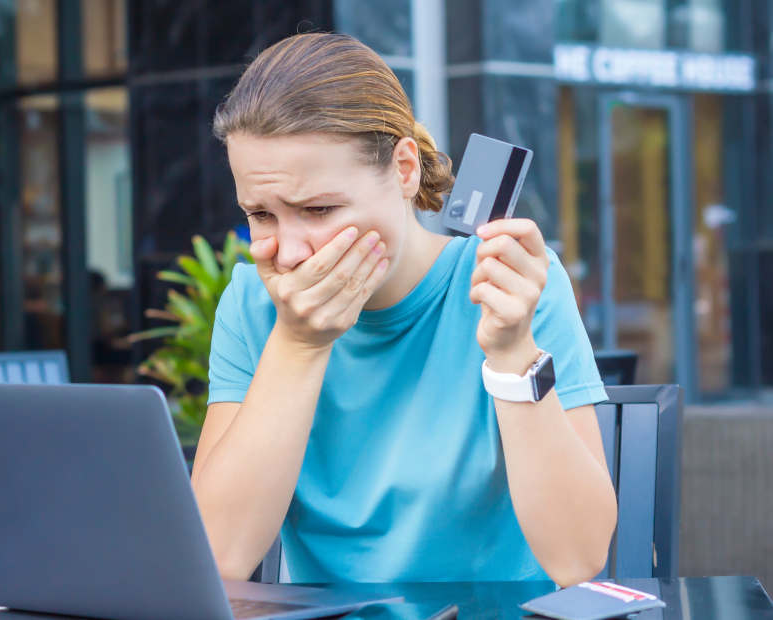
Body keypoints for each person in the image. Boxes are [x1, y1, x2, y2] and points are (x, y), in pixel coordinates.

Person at [190, 33, 616, 587]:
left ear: (405, 169)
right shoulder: (253, 304)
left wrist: (512, 354)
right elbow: (216, 557)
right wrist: (298, 346)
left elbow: (580, 559)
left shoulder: (508, 285)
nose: (290, 252)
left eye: (317, 209)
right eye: (261, 215)